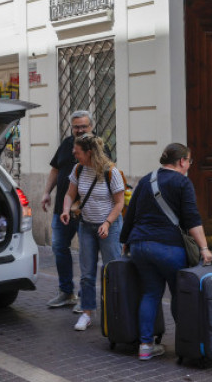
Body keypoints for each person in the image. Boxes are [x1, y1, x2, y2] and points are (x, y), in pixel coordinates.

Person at [120, 143, 212, 361]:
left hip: (140, 246)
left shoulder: (145, 180)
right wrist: (204, 248)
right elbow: (192, 220)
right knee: (181, 296)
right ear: (182, 161)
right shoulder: (182, 182)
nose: (189, 165)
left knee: (150, 293)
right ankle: (187, 344)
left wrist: (125, 240)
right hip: (169, 249)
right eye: (189, 161)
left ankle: (145, 346)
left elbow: (130, 213)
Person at [60, 134, 124, 331]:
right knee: (87, 274)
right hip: (86, 226)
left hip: (109, 228)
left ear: (89, 152)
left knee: (111, 271)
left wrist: (107, 223)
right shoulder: (78, 169)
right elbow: (70, 194)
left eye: (77, 151)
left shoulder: (110, 172)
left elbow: (120, 202)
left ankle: (116, 311)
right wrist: (65, 209)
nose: (74, 154)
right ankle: (87, 313)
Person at [41, 110, 96, 312]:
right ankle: (66, 292)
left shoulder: (97, 146)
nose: (80, 130)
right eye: (76, 126)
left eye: (84, 126)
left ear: (91, 126)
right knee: (58, 248)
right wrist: (47, 192)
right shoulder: (67, 144)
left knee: (85, 255)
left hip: (86, 212)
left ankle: (85, 298)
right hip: (62, 209)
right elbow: (56, 168)